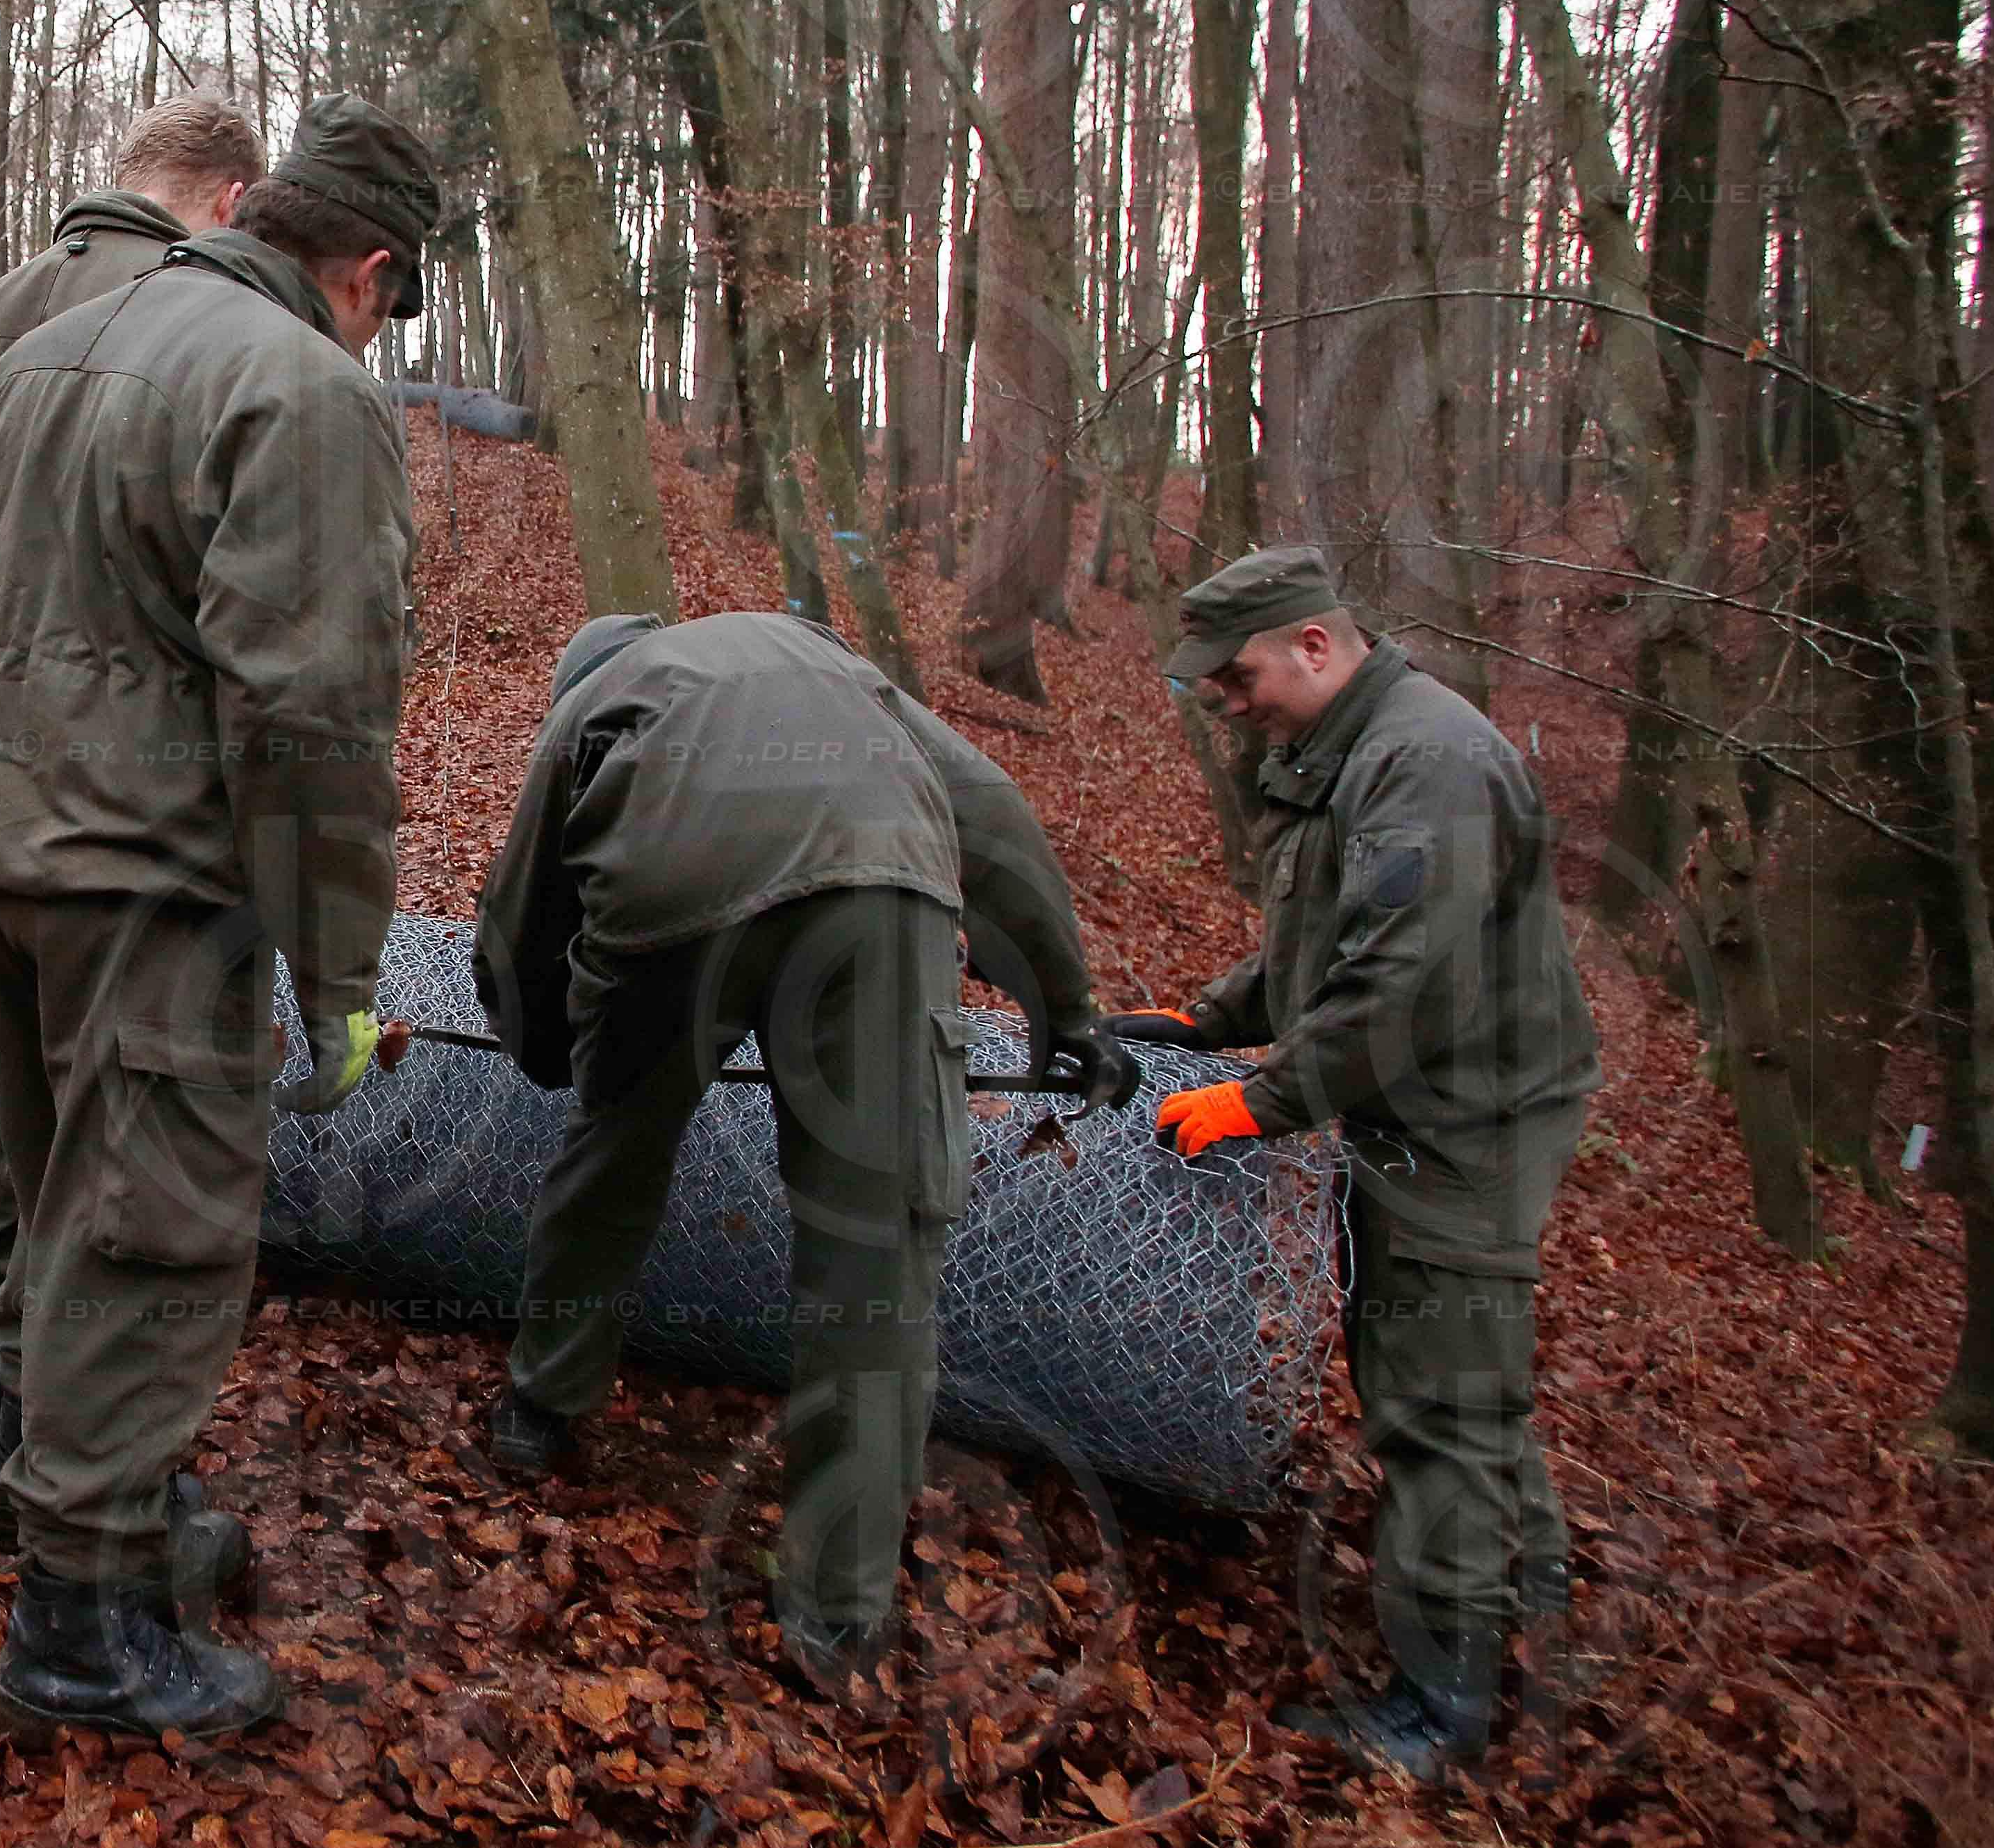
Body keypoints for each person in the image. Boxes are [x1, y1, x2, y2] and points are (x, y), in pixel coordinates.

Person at [0, 95, 434, 1742]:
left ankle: (83, 1514)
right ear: (370, 270)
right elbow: (316, 720)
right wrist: (340, 971)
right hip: (148, 880)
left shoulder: (47, 343)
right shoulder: (305, 392)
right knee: (154, 1235)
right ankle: (79, 1630)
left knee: (62, 1200)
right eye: (391, 312)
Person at [470, 611, 1138, 1694]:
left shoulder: (594, 700)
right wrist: (1065, 1009)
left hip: (669, 893)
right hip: (880, 890)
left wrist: (556, 1056)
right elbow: (992, 814)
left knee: (615, 1156)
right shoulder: (822, 657)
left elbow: (521, 915)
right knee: (875, 1246)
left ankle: (539, 1411)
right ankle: (839, 1611)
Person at [1118, 546, 1599, 1778]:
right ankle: (1534, 1624)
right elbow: (1326, 936)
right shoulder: (1345, 751)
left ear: (1317, 646)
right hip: (1417, 1098)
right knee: (1465, 1385)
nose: (1227, 700)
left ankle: (1443, 1714)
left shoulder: (1428, 763)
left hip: (1465, 1119)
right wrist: (1209, 1023)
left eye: (1238, 676)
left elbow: (1402, 985)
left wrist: (1261, 1102)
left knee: (1435, 1404)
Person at [0, 96, 271, 1490]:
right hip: (118, 813)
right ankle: (52, 1479)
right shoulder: (192, 328)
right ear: (231, 200)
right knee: (94, 1156)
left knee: (12, 1102)